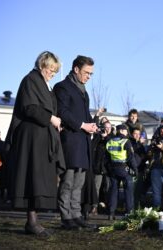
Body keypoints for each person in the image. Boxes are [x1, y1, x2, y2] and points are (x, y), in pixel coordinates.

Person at [5, 51, 65, 236]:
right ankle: (31, 222)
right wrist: (51, 119)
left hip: (41, 137)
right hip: (31, 138)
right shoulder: (30, 80)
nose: (52, 74)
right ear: (42, 65)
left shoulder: (44, 85)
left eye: (55, 72)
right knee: (32, 178)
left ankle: (33, 221)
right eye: (50, 70)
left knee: (38, 179)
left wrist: (55, 122)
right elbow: (29, 107)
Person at [54, 55, 98, 230]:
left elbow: (84, 115)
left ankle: (76, 214)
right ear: (76, 69)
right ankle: (66, 217)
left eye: (91, 74)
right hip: (70, 142)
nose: (89, 76)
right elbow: (63, 112)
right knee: (68, 181)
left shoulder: (83, 91)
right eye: (87, 72)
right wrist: (82, 125)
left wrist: (92, 124)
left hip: (83, 143)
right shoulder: (62, 88)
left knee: (79, 183)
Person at [106, 124, 137, 220]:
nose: (127, 132)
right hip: (124, 169)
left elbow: (106, 157)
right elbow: (131, 158)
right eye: (126, 131)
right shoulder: (126, 141)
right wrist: (135, 169)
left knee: (113, 191)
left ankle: (111, 213)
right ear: (122, 131)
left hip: (113, 169)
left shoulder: (110, 141)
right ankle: (129, 212)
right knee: (128, 191)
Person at [91, 120, 113, 213]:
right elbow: (91, 147)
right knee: (96, 187)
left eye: (109, 127)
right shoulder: (97, 138)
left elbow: (112, 147)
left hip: (108, 168)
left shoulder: (112, 138)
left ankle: (108, 207)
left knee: (108, 188)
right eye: (105, 127)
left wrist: (106, 137)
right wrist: (98, 136)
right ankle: (94, 207)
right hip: (98, 168)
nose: (107, 129)